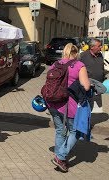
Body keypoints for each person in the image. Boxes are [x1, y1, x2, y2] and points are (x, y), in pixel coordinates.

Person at [48, 43, 90, 172]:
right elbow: (86, 86)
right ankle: (60, 156)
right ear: (76, 53)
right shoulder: (78, 65)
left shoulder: (56, 64)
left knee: (60, 129)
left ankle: (59, 156)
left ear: (64, 52)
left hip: (53, 102)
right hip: (69, 104)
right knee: (75, 131)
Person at [79, 38, 105, 110]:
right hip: (87, 86)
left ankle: (90, 118)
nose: (101, 47)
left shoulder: (100, 55)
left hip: (97, 86)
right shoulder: (83, 56)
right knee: (86, 107)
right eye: (99, 46)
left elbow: (101, 68)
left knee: (95, 108)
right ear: (92, 47)